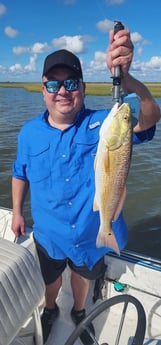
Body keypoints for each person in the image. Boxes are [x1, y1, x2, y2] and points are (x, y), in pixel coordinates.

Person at [11, 26, 160, 345]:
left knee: (82, 278)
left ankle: (79, 311)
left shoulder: (104, 123)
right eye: (53, 83)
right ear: (42, 89)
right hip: (48, 234)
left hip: (93, 235)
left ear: (82, 87)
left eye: (70, 82)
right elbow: (19, 172)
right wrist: (17, 213)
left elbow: (148, 120)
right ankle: (51, 308)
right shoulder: (27, 133)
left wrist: (129, 80)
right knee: (50, 280)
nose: (61, 90)